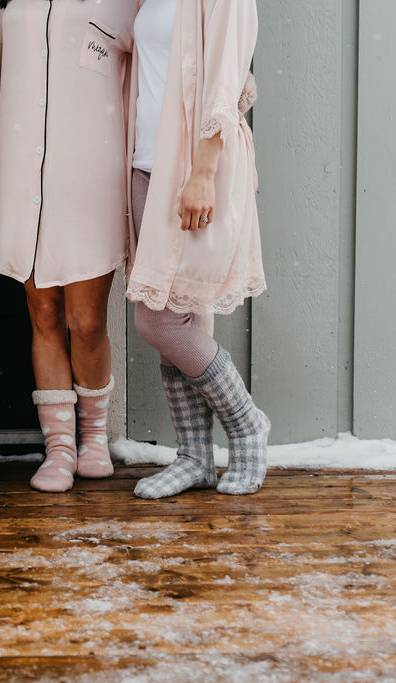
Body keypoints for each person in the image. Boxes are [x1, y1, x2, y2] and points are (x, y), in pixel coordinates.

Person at [0, 0, 137, 493]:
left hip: (90, 170)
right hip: (20, 168)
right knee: (44, 314)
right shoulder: (7, 2)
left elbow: (156, 59)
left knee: (87, 319)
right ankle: (60, 448)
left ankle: (94, 437)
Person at [128, 0, 269, 497]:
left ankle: (248, 425)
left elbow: (228, 77)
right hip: (145, 164)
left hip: (190, 168)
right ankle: (194, 456)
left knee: (158, 320)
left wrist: (204, 171)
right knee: (184, 313)